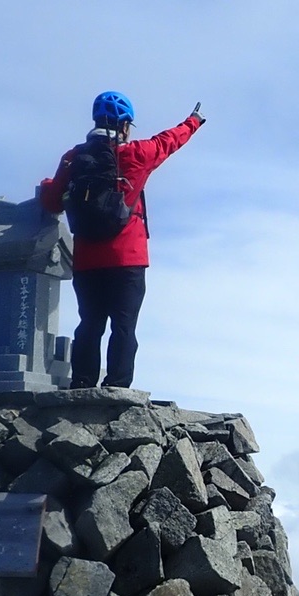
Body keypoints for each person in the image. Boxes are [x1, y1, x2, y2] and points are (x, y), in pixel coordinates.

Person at [39, 91, 205, 389]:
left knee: (89, 324)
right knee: (124, 326)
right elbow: (170, 140)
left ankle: (82, 383)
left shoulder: (73, 158)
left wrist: (49, 184)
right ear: (125, 125)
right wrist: (193, 121)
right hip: (128, 258)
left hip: (88, 260)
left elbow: (52, 202)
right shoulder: (137, 155)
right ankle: (116, 387)